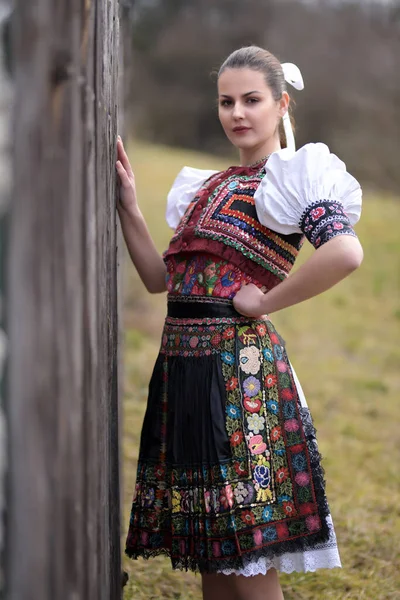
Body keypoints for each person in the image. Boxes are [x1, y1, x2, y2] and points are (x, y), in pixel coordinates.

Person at [117, 46, 363, 600]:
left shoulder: (294, 179)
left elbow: (345, 253)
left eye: (252, 100)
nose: (237, 113)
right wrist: (130, 208)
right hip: (183, 372)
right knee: (212, 554)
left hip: (239, 381)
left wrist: (265, 303)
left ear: (281, 104)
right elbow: (161, 281)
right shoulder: (206, 185)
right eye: (226, 101)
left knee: (247, 557)